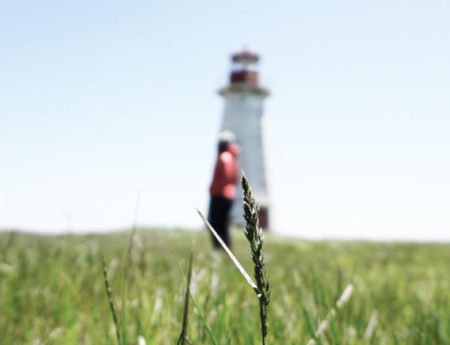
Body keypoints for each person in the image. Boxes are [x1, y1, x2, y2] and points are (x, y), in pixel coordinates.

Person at [208, 131, 240, 249]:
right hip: (229, 195)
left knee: (216, 225)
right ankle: (226, 249)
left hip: (219, 195)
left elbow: (226, 176)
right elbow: (235, 178)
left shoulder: (224, 157)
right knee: (223, 225)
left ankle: (220, 249)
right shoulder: (232, 158)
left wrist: (214, 187)